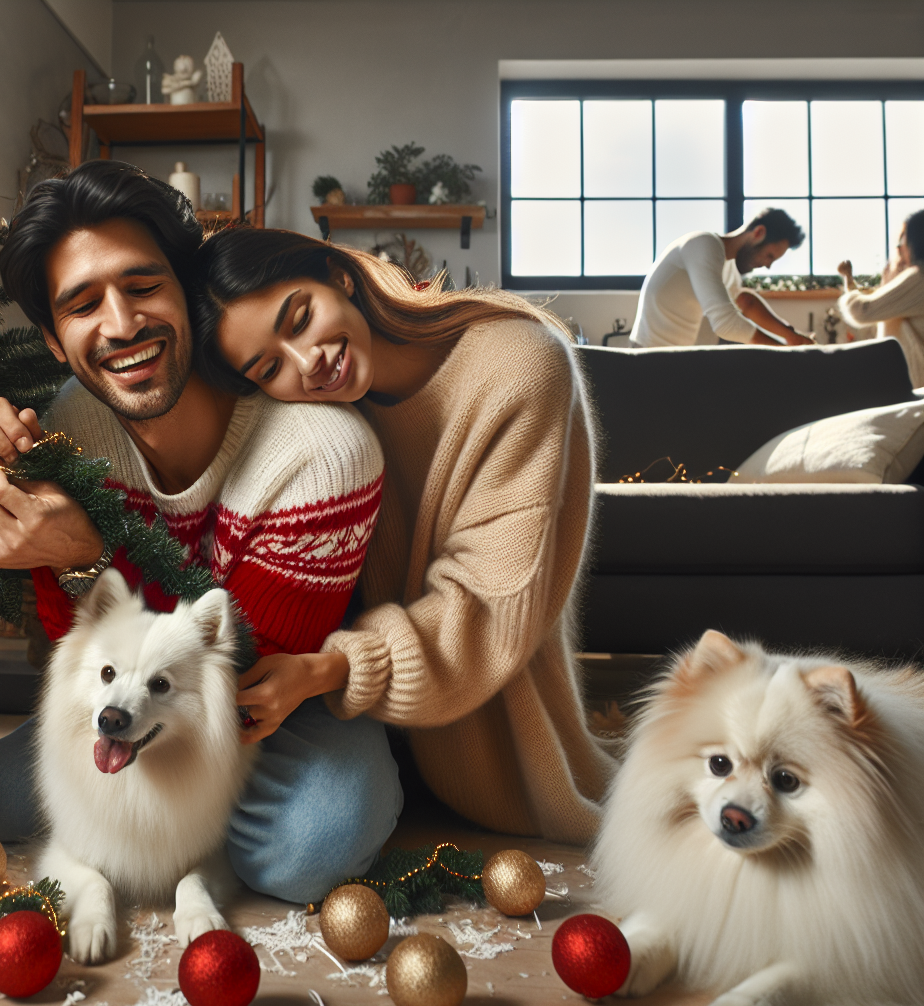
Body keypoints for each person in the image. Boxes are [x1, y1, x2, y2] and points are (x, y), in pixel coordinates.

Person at [0, 161, 400, 904]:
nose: (123, 325)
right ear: (55, 341)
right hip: (140, 696)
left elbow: (246, 665)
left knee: (310, 845)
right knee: (3, 795)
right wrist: (51, 546)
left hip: (275, 702)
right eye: (83, 304)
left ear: (187, 293)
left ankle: (198, 822)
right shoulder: (66, 431)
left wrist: (89, 555)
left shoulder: (323, 449)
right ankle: (182, 820)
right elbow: (82, 644)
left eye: (143, 285)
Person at [187, 226, 619, 847]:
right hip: (329, 711)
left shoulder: (518, 363)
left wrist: (327, 668)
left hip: (467, 728)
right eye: (270, 366)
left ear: (339, 275)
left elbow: (484, 608)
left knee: (309, 841)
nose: (309, 363)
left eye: (301, 317)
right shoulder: (304, 418)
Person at [631, 208, 815, 348]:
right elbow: (726, 324)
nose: (767, 266)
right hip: (646, 357)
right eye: (769, 256)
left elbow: (745, 302)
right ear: (758, 233)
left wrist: (792, 336)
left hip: (672, 360)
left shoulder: (727, 267)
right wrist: (784, 352)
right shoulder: (703, 244)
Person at [838, 210, 924, 387]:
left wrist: (848, 283)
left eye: (903, 241)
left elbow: (862, 311)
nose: (899, 249)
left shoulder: (919, 277)